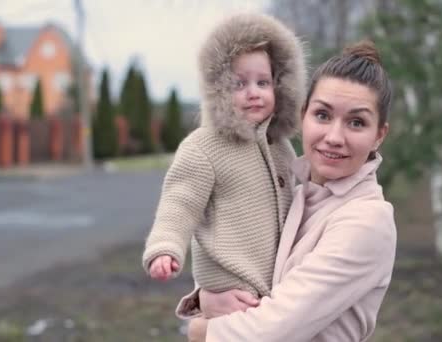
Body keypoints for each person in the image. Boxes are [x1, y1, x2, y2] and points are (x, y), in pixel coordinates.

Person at [182, 40, 397, 342]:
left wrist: (197, 330)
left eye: (356, 122)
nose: (334, 137)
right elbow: (247, 270)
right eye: (323, 115)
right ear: (303, 115)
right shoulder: (294, 197)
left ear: (379, 135)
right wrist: (206, 298)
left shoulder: (367, 221)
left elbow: (272, 331)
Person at [142, 13, 306, 300]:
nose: (253, 93)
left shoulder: (281, 146)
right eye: (239, 84)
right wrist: (165, 246)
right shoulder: (204, 147)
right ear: (218, 89)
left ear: (279, 86)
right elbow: (180, 203)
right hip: (231, 288)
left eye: (263, 83)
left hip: (276, 289)